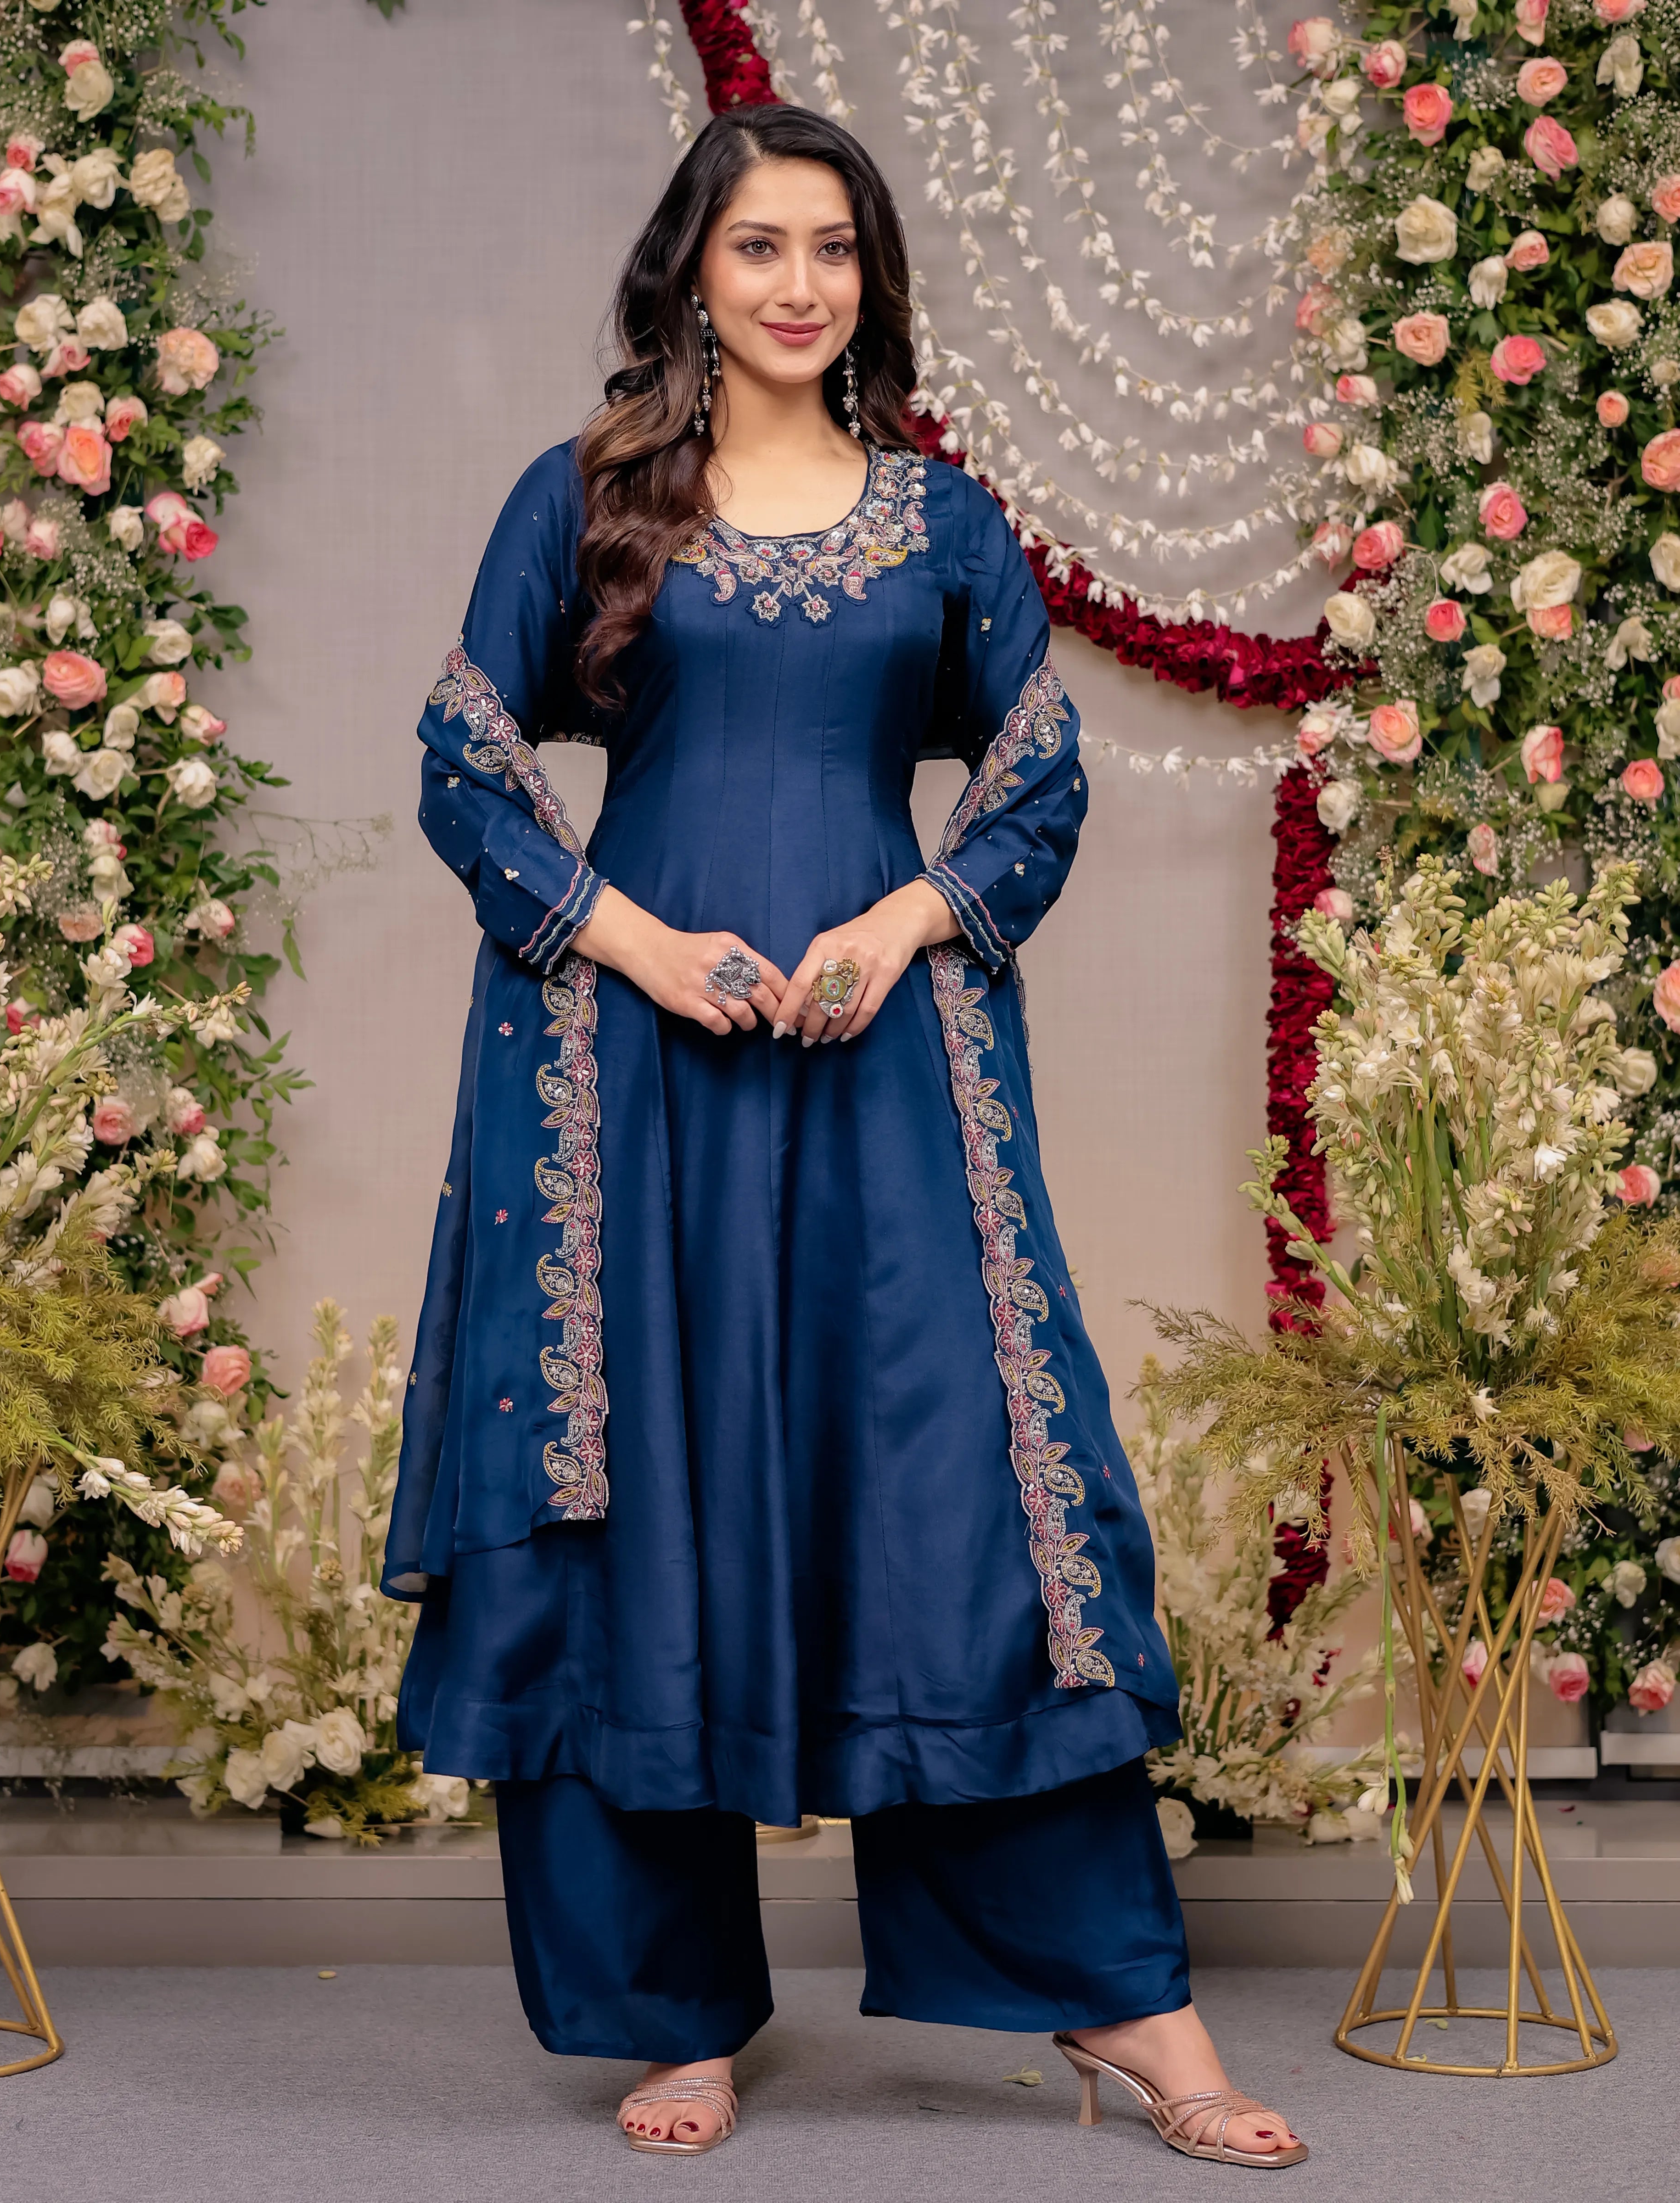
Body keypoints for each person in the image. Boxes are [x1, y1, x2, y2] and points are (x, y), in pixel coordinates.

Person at [383, 101, 1303, 2169]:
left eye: (832, 250)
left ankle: (1117, 2010)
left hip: (889, 1079)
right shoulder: (589, 496)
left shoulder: (943, 524)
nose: (799, 284)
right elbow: (462, 764)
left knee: (970, 1512)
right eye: (758, 248)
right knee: (643, 1512)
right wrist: (626, 943)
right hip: (636, 1087)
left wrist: (901, 924)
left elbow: (1037, 786)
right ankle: (674, 2010)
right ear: (691, 273)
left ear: (870, 279)